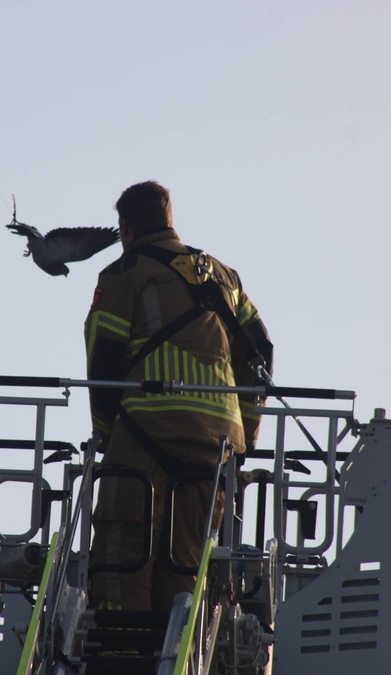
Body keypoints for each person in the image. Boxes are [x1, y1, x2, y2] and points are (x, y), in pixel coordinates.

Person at [85, 181, 273, 612]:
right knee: (186, 554)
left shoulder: (123, 273)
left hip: (146, 428)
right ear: (170, 220)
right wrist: (244, 434)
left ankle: (121, 641)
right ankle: (183, 632)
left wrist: (104, 432)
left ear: (126, 227)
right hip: (217, 444)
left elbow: (104, 357)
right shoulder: (225, 276)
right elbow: (260, 352)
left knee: (123, 543)